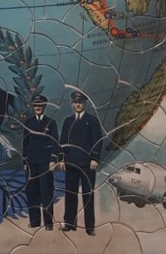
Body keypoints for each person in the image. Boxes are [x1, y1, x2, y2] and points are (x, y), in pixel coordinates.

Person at [58, 91, 103, 236]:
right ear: (72, 104)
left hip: (87, 165)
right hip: (71, 163)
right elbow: (62, 142)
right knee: (70, 195)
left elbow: (97, 140)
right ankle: (69, 223)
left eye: (80, 102)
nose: (78, 105)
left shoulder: (92, 120)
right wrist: (62, 159)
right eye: (75, 102)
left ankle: (90, 227)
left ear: (85, 104)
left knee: (87, 196)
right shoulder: (68, 121)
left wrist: (95, 158)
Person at [22, 93, 59, 230]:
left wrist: (53, 160)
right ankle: (35, 222)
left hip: (45, 163)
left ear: (44, 106)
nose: (37, 108)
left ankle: (48, 224)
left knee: (46, 192)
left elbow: (55, 142)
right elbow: (25, 142)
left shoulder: (51, 122)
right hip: (32, 163)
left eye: (40, 105)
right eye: (35, 105)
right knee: (32, 192)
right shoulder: (28, 123)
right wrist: (25, 162)